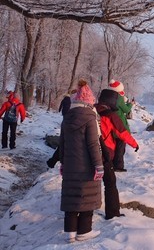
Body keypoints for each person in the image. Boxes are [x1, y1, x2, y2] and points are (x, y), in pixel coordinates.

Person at [59, 79, 103, 243]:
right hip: (86, 166)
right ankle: (84, 231)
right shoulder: (90, 118)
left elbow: (62, 142)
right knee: (86, 197)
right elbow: (93, 144)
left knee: (71, 197)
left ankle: (70, 232)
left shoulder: (67, 118)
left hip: (70, 165)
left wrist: (63, 162)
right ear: (89, 101)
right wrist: (98, 165)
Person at [95, 87, 139, 220]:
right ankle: (112, 213)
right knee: (110, 183)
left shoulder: (92, 111)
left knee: (89, 182)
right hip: (105, 153)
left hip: (89, 151)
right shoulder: (111, 115)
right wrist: (135, 144)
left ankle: (84, 211)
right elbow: (122, 132)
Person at [107, 80, 133, 172]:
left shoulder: (108, 97)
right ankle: (118, 166)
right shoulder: (118, 98)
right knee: (120, 147)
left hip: (110, 125)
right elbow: (125, 110)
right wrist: (130, 104)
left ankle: (112, 164)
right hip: (120, 125)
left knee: (114, 146)